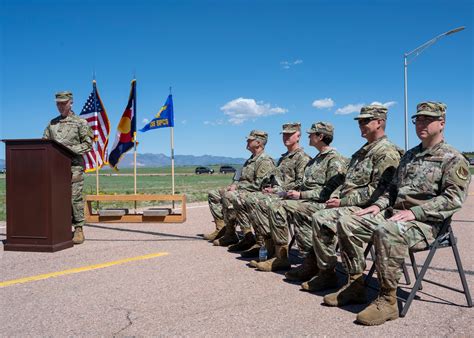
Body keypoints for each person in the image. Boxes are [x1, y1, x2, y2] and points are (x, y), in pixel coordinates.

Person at [322, 101, 471, 326]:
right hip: (395, 216)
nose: (421, 123)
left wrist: (416, 212)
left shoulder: (453, 158)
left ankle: (388, 300)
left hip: (428, 224)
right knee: (348, 221)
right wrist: (379, 205)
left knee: (387, 230)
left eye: (427, 119)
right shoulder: (409, 156)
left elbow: (453, 199)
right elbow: (392, 190)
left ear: (442, 123)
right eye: (418, 119)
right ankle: (355, 283)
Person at [303, 104, 402, 291]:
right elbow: (346, 182)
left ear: (380, 122)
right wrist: (335, 196)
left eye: (366, 121)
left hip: (370, 207)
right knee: (319, 216)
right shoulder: (362, 152)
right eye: (360, 121)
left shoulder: (386, 152)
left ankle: (354, 283)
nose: (361, 124)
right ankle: (326, 272)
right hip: (351, 203)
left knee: (324, 218)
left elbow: (378, 190)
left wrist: (343, 202)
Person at [253, 122, 346, 274]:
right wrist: (283, 192)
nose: (308, 136)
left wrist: (301, 195)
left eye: (312, 134)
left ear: (321, 136)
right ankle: (280, 255)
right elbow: (303, 184)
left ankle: (310, 261)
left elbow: (329, 192)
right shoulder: (316, 160)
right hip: (307, 199)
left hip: (320, 203)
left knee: (294, 208)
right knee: (273, 205)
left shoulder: (334, 160)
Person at [230, 123, 310, 257]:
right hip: (276, 194)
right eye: (284, 134)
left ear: (298, 136)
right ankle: (263, 244)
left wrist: (277, 190)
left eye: (290, 134)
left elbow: (300, 184)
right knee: (249, 198)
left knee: (255, 200)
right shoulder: (284, 158)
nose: (286, 137)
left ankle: (271, 248)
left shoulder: (302, 158)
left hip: (287, 196)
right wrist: (270, 188)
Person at [205, 130, 276, 247]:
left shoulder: (265, 161)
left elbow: (259, 185)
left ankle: (247, 235)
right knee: (214, 193)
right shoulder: (250, 160)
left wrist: (237, 187)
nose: (247, 141)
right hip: (243, 190)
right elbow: (241, 178)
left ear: (258, 143)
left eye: (250, 140)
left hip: (255, 193)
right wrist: (234, 185)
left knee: (229, 196)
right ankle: (223, 230)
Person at [43, 91, 93, 244]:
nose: (60, 106)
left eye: (63, 103)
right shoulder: (52, 124)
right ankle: (59, 228)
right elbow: (44, 143)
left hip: (73, 166)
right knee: (55, 198)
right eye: (58, 103)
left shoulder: (80, 123)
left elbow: (88, 144)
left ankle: (78, 228)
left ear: (71, 102)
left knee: (74, 197)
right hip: (54, 169)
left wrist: (69, 150)